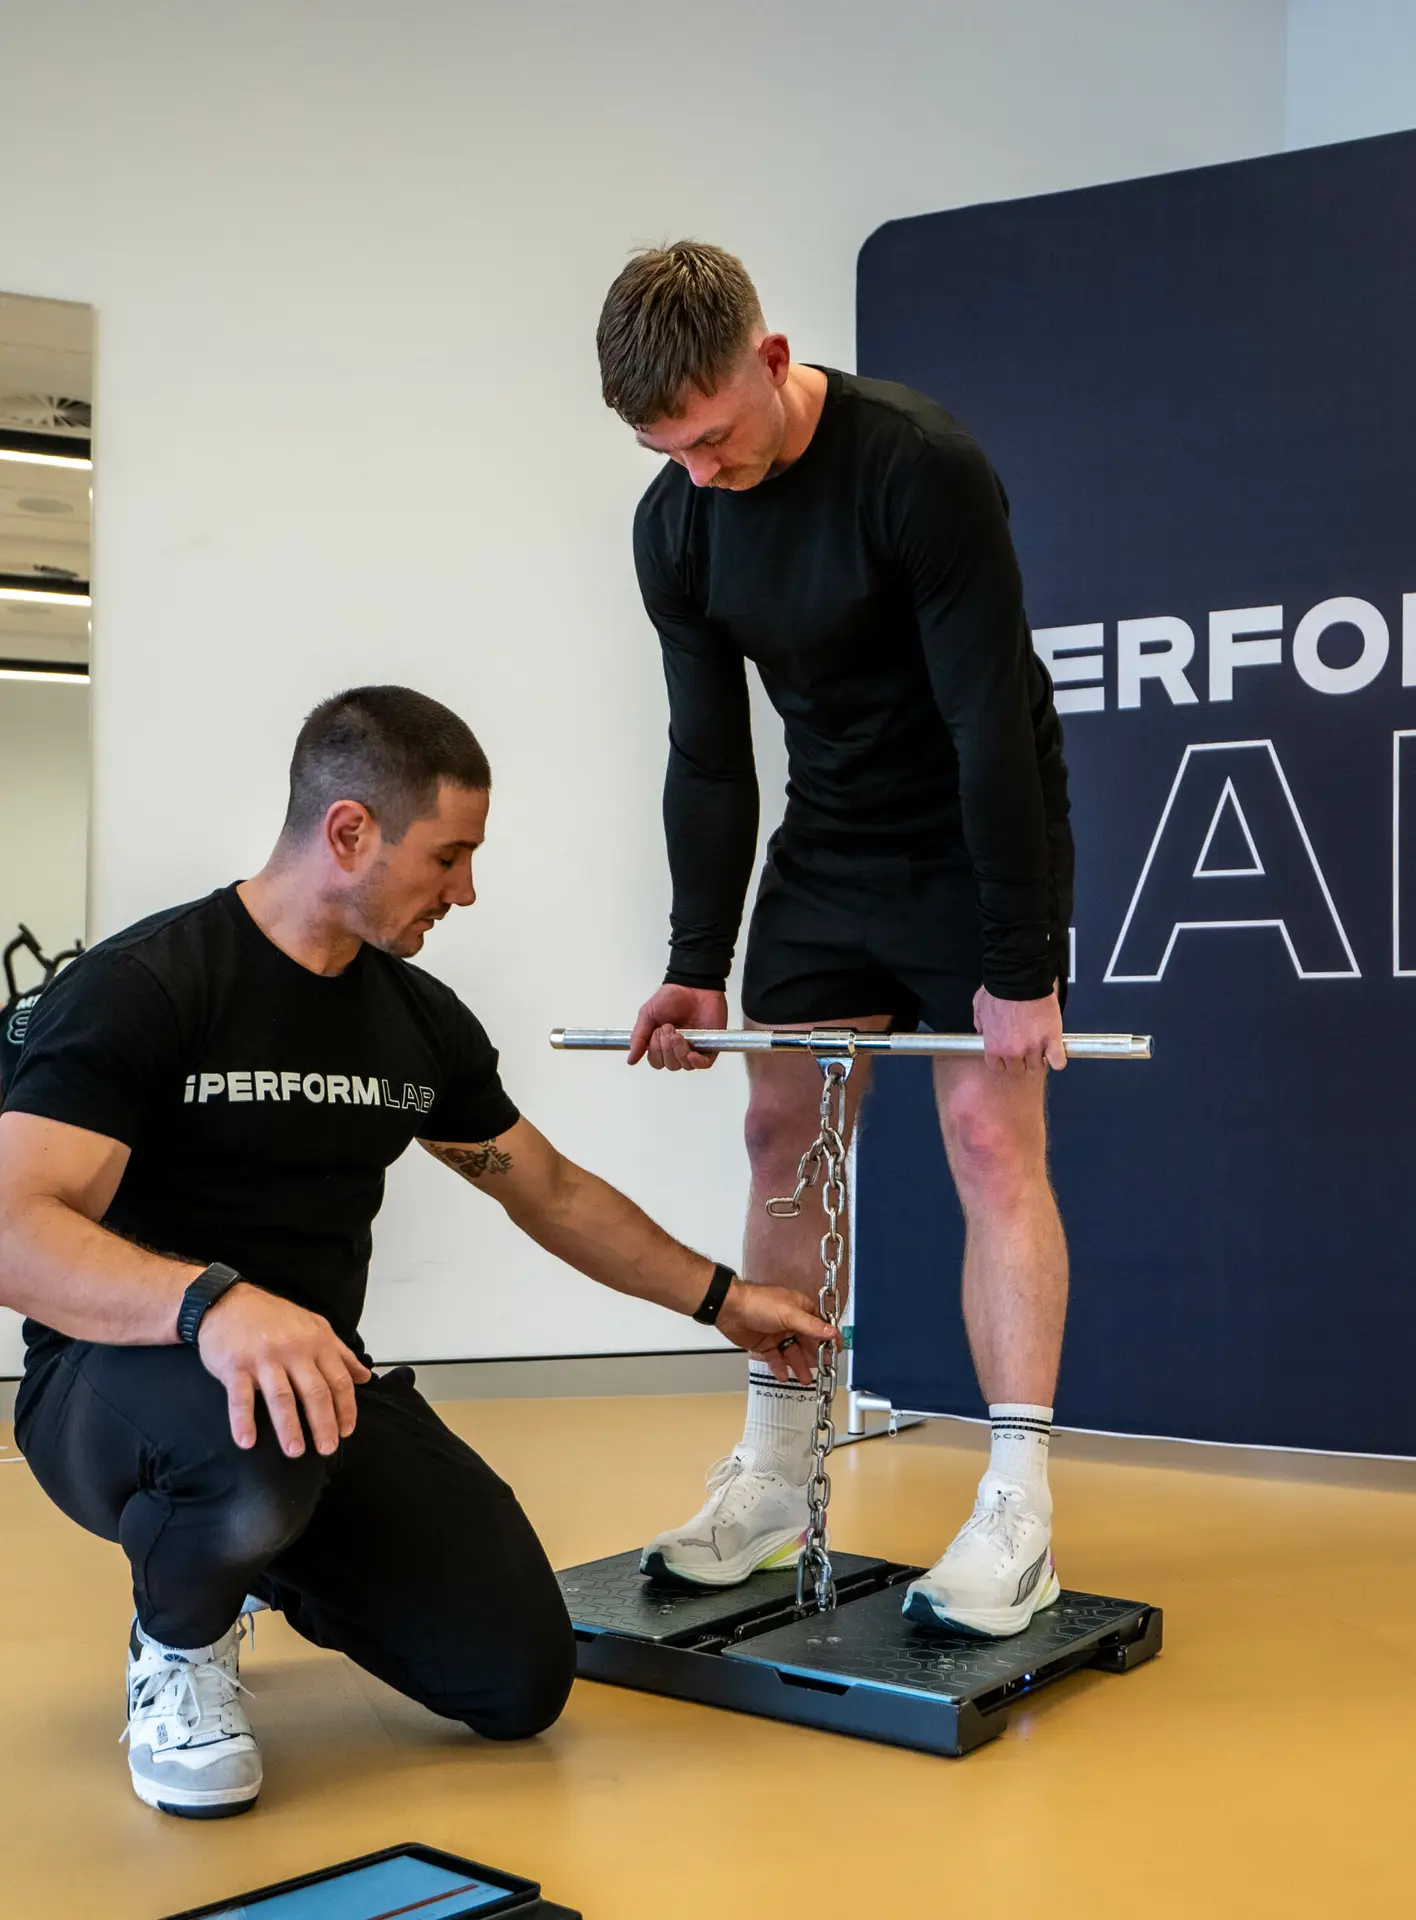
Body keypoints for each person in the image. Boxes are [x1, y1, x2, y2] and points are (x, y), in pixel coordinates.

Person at [0, 685, 832, 1819]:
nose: (466, 890)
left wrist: (723, 1298)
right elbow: (16, 1229)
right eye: (449, 856)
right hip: (111, 1380)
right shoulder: (147, 987)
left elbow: (547, 1190)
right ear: (350, 832)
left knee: (515, 1676)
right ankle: (180, 1645)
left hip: (315, 1380)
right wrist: (214, 1305)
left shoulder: (415, 1020)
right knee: (252, 1447)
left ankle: (257, 1551)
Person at [597, 242, 1074, 1638]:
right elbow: (707, 751)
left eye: (712, 437)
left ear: (772, 357)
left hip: (973, 835)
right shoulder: (678, 523)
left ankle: (1020, 1508)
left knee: (989, 1142)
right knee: (780, 1136)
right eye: (667, 451)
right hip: (830, 846)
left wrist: (1019, 956)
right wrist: (696, 960)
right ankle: (773, 1465)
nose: (699, 471)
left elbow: (990, 720)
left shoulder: (919, 467)